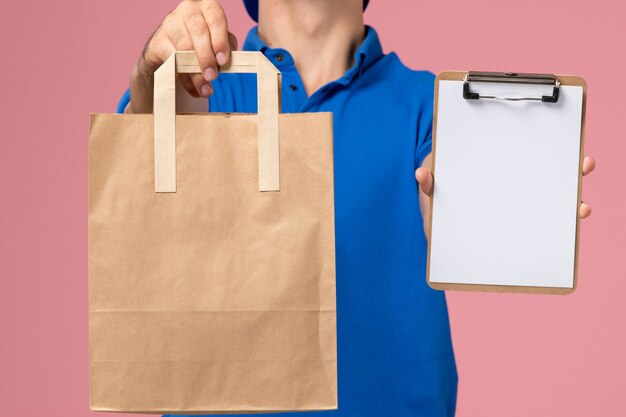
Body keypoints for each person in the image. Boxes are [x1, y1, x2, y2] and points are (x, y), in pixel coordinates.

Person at [118, 1, 596, 416]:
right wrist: (154, 73)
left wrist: (467, 208)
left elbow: (442, 204)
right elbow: (132, 194)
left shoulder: (432, 108)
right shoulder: (198, 88)